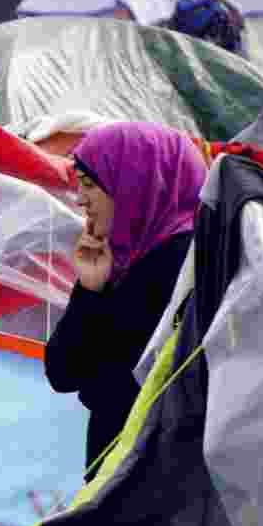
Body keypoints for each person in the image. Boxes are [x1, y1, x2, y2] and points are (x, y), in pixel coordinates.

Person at [45, 123, 206, 482]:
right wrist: (90, 287)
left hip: (150, 488)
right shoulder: (128, 258)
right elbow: (62, 371)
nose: (80, 198)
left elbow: (104, 385)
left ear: (134, 182)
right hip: (123, 475)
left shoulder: (178, 268)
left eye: (89, 184)